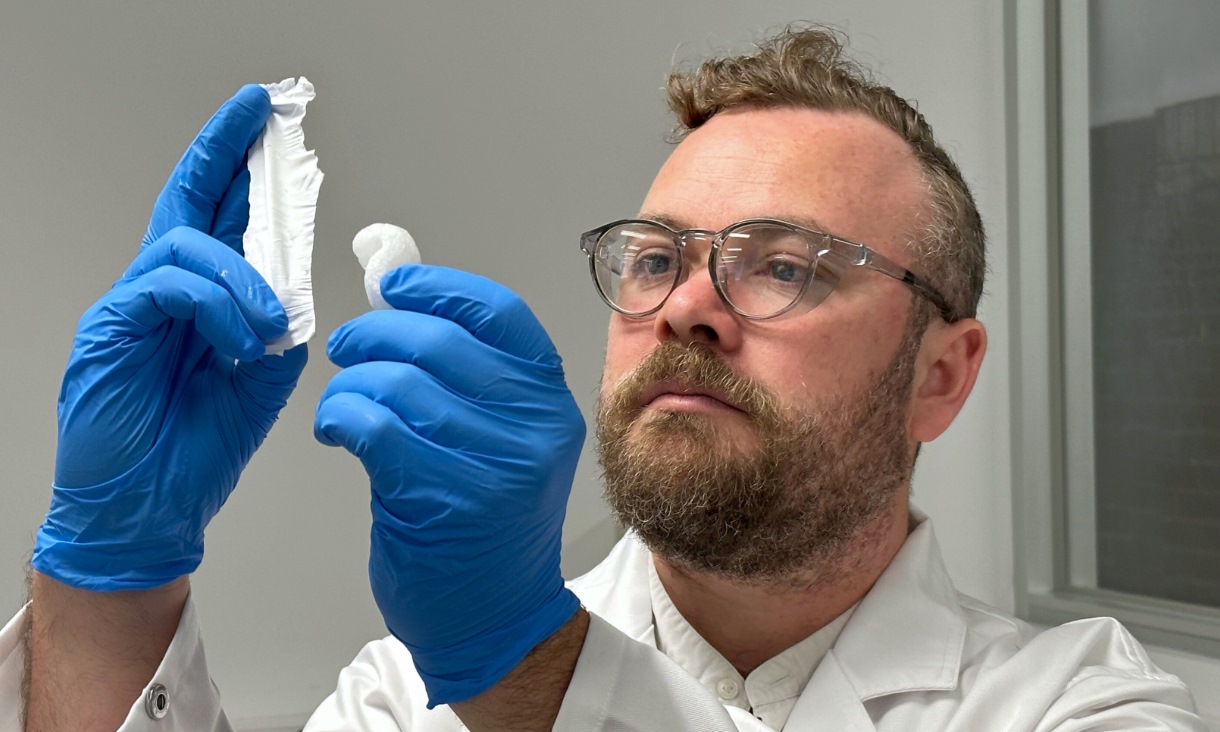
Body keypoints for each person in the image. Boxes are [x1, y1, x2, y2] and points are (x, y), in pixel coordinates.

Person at [0, 25, 1205, 732]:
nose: (685, 306)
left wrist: (529, 665)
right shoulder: (404, 699)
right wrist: (114, 577)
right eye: (656, 260)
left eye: (780, 265)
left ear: (940, 374)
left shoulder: (1080, 703)